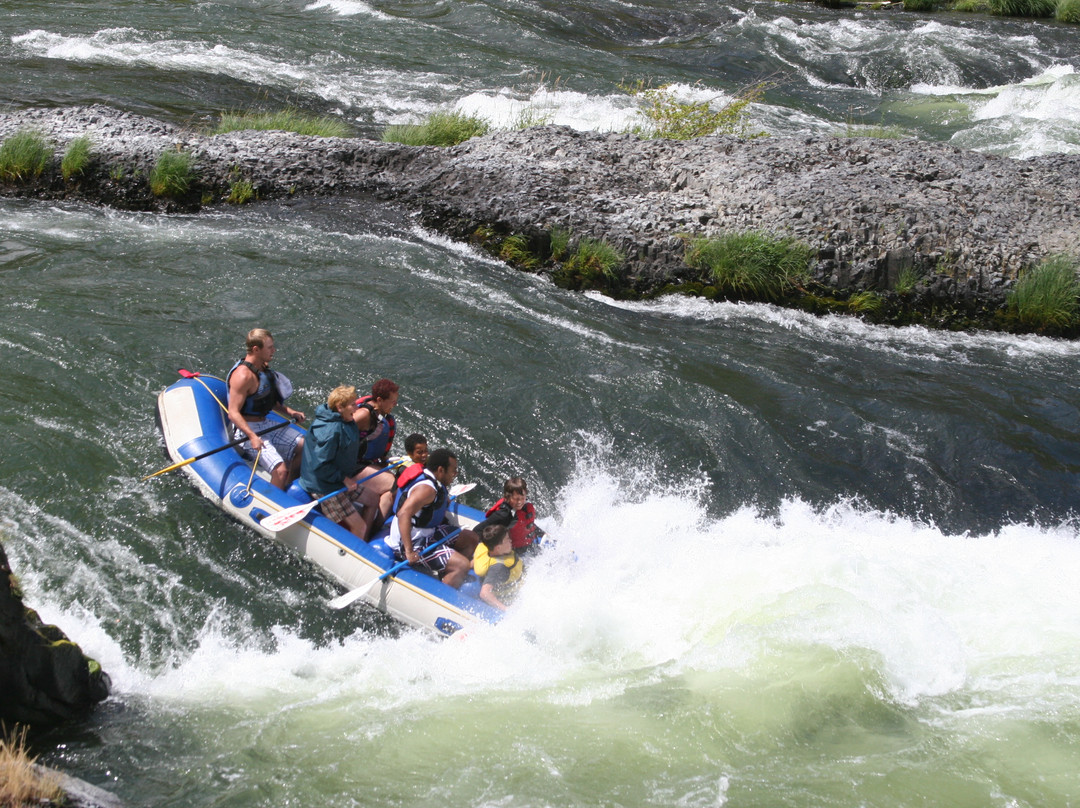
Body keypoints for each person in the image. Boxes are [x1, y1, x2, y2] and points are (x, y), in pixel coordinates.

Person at [226, 328, 306, 490]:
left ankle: (287, 488)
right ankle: (274, 501)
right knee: (280, 470)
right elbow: (233, 413)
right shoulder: (243, 376)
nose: (274, 350)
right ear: (256, 349)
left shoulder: (263, 369)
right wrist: (252, 436)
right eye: (269, 347)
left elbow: (266, 400)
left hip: (266, 423)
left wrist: (290, 411)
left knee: (306, 446)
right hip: (247, 431)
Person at [387, 448, 479, 588]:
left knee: (471, 538)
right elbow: (403, 514)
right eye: (453, 470)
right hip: (411, 542)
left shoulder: (433, 480)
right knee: (462, 564)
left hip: (427, 532)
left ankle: (448, 573)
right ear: (441, 470)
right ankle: (447, 589)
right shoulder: (427, 489)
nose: (456, 474)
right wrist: (409, 551)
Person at [298, 385, 380, 540]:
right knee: (359, 526)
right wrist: (344, 479)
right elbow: (321, 466)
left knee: (374, 499)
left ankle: (364, 541)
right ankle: (356, 551)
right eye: (352, 405)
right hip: (324, 485)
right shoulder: (331, 431)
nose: (356, 409)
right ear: (339, 407)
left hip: (337, 478)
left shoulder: (344, 420)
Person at [351, 378, 400, 536]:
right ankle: (369, 533)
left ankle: (372, 532)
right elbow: (338, 431)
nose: (395, 405)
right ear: (379, 400)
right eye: (392, 401)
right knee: (394, 485)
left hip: (361, 462)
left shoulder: (380, 416)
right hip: (349, 466)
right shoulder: (363, 415)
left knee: (389, 492)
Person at [475, 476, 545, 555]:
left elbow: (525, 523)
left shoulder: (524, 507)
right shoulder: (503, 515)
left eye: (522, 498)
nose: (519, 502)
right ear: (507, 497)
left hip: (527, 546)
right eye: (516, 499)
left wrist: (542, 533)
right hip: (511, 551)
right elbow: (477, 531)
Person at [473, 523, 524, 612]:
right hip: (511, 599)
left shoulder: (487, 547)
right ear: (498, 548)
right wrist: (507, 610)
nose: (510, 541)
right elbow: (484, 593)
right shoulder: (499, 568)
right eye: (507, 539)